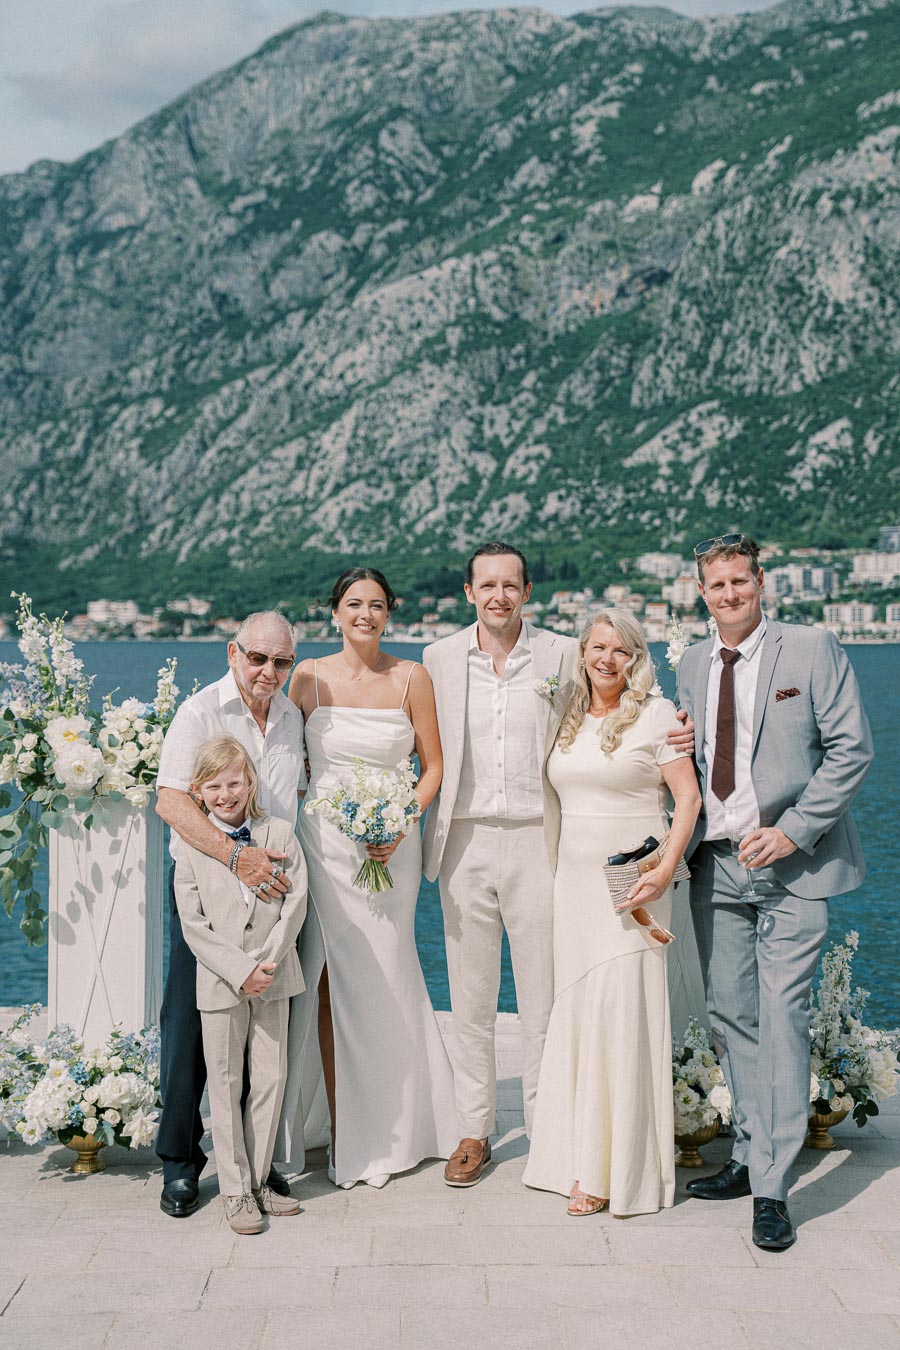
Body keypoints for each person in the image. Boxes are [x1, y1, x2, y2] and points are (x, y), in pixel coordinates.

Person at [677, 533, 873, 1251]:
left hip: (794, 864)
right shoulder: (694, 663)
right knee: (732, 1014)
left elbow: (853, 749)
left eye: (740, 582)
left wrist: (793, 831)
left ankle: (772, 1187)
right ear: (701, 594)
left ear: (762, 582)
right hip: (718, 865)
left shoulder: (813, 649)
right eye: (716, 586)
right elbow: (694, 760)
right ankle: (751, 1151)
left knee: (783, 1017)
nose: (730, 595)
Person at [275, 566, 458, 1187]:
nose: (366, 614)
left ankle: (402, 1124)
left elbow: (432, 766)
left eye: (377, 605)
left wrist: (402, 819)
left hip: (391, 849)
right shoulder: (307, 678)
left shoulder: (413, 678)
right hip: (325, 849)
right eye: (354, 604)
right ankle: (345, 1128)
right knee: (330, 982)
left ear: (390, 613)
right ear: (335, 612)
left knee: (391, 973)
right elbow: (280, 760)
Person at [523, 610, 700, 1215]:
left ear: (636, 658)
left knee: (620, 1011)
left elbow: (688, 798)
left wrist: (662, 870)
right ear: (582, 652)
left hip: (633, 885)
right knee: (577, 1009)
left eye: (620, 650)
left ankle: (612, 1171)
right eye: (598, 647)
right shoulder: (566, 716)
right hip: (572, 886)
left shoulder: (656, 715)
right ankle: (569, 1157)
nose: (607, 659)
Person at [422, 543, 580, 1186]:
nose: (499, 596)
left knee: (542, 998)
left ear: (527, 591)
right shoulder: (437, 659)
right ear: (468, 592)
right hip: (462, 842)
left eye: (510, 585)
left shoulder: (561, 654)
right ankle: (473, 1130)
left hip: (539, 840)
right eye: (487, 585)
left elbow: (599, 719)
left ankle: (547, 1133)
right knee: (471, 1001)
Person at [155, 610, 306, 1218]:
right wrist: (235, 857)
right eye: (258, 658)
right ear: (232, 653)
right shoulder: (199, 713)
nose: (268, 671)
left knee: (265, 1046)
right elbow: (172, 799)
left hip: (273, 896)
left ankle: (256, 1166)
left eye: (281, 662)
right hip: (211, 889)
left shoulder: (293, 717)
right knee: (191, 1036)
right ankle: (183, 1165)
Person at [174, 737, 307, 1234]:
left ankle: (259, 1181)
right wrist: (239, 969)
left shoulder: (282, 832)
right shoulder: (193, 845)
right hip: (221, 982)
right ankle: (233, 1190)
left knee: (270, 1079)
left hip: (273, 977)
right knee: (226, 1083)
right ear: (199, 792)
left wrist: (266, 963)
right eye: (215, 786)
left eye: (235, 782)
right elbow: (193, 924)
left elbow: (295, 904)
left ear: (250, 781)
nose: (226, 793)